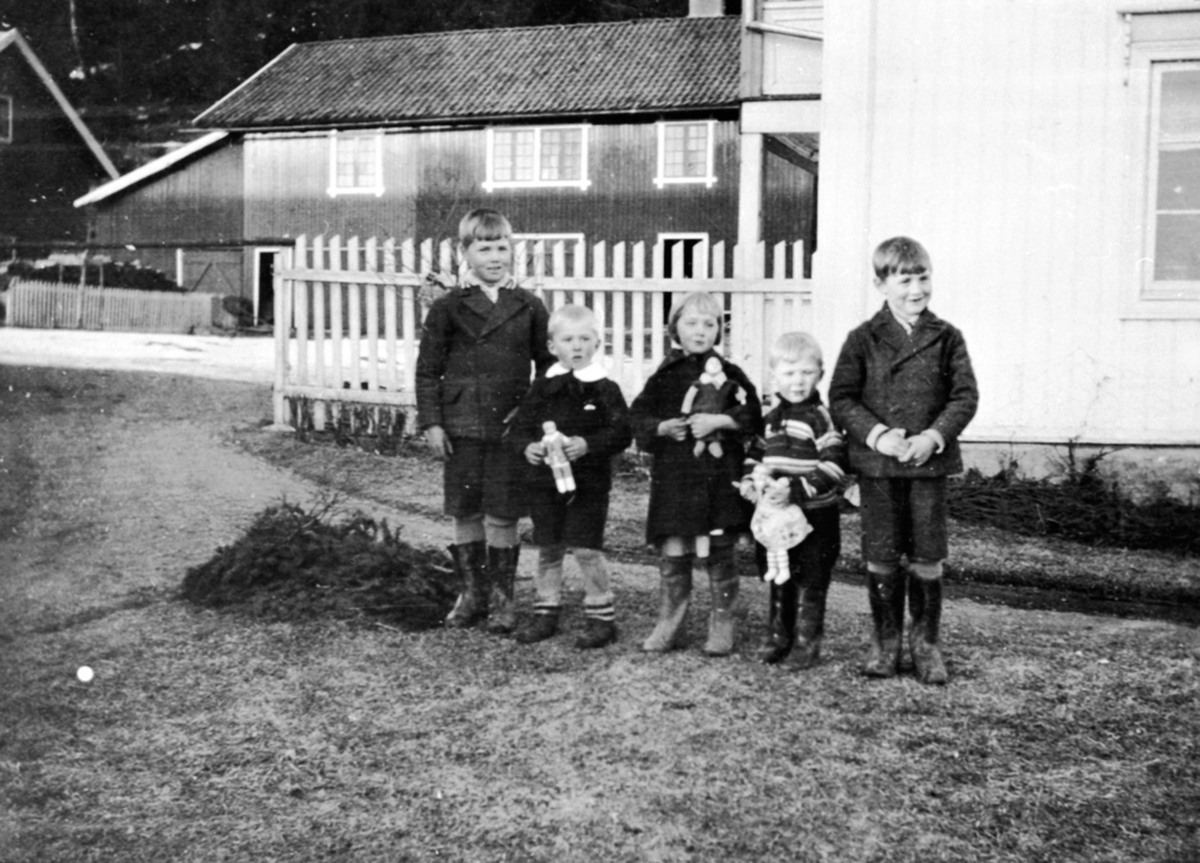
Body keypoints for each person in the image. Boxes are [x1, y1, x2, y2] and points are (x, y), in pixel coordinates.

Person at [828, 236, 978, 685]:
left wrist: (933, 436)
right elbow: (841, 397)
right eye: (905, 280)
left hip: (927, 467)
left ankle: (925, 644)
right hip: (878, 468)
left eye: (923, 278)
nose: (917, 289)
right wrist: (878, 436)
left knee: (928, 555)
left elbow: (965, 396)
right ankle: (886, 642)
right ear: (881, 284)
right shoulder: (863, 339)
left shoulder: (948, 337)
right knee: (882, 554)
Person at [415, 208, 553, 634]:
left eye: (501, 247)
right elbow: (427, 371)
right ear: (465, 252)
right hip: (461, 426)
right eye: (484, 247)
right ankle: (471, 594)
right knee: (465, 510)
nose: (495, 256)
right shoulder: (448, 306)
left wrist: (527, 413)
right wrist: (433, 423)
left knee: (503, 513)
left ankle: (502, 599)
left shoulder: (529, 305)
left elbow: (549, 369)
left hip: (509, 429)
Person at [630, 291, 762, 656]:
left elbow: (754, 414)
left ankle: (722, 623)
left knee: (720, 551)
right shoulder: (665, 375)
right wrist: (661, 428)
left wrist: (721, 420)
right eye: (691, 323)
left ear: (719, 330)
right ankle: (669, 622)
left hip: (718, 478)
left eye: (709, 324)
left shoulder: (731, 375)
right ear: (675, 328)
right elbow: (637, 415)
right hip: (676, 479)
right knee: (674, 551)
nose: (700, 330)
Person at [506, 304, 632, 649]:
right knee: (548, 547)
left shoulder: (605, 388)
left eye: (584, 338)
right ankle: (546, 611)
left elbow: (622, 433)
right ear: (551, 347)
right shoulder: (542, 387)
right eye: (567, 339)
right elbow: (519, 429)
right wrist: (527, 448)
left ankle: (601, 616)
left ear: (597, 343)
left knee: (586, 548)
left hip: (588, 485)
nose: (576, 346)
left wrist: (588, 444)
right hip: (545, 484)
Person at [742, 332, 847, 668]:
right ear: (774, 377)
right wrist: (751, 482)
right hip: (778, 516)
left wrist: (799, 489)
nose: (798, 381)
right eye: (789, 374)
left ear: (820, 373)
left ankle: (806, 643)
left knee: (811, 578)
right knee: (780, 574)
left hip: (815, 516)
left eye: (806, 373)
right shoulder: (770, 420)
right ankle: (777, 637)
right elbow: (756, 456)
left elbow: (834, 465)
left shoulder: (820, 418)